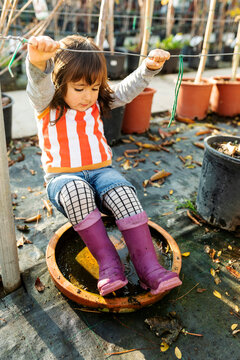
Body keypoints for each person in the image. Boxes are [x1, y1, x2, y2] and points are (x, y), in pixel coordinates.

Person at [26, 34, 182, 296]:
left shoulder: (96, 101)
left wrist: (148, 68)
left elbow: (124, 91)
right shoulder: (47, 104)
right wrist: (37, 60)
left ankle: (149, 268)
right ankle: (109, 264)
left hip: (101, 173)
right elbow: (37, 83)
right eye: (79, 89)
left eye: (94, 87)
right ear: (60, 82)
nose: (88, 96)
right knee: (77, 192)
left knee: (123, 193)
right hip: (63, 179)